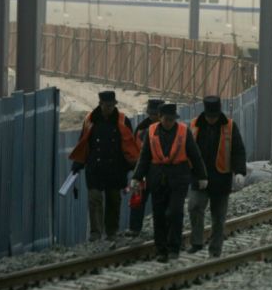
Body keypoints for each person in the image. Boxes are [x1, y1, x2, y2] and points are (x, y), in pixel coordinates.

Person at [131, 102, 207, 262]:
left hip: (178, 178)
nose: (169, 122)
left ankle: (174, 247)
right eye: (166, 119)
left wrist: (202, 176)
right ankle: (161, 250)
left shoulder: (183, 131)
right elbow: (144, 157)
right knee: (158, 215)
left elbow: (195, 154)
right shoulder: (151, 132)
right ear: (160, 118)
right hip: (157, 179)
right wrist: (137, 177)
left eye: (172, 119)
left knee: (175, 212)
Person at [69, 90, 140, 242]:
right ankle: (95, 233)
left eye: (112, 105)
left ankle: (111, 232)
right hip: (95, 168)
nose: (109, 108)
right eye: (106, 105)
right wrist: (79, 162)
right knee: (94, 199)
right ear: (100, 104)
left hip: (115, 169)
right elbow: (83, 142)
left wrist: (133, 165)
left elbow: (129, 145)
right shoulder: (91, 120)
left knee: (113, 200)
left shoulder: (122, 120)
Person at [188, 95, 247, 258]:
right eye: (209, 117)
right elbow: (188, 151)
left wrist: (240, 172)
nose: (212, 119)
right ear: (205, 114)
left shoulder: (229, 126)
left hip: (221, 179)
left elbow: (238, 151)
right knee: (194, 206)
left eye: (214, 117)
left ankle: (215, 250)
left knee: (218, 218)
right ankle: (197, 242)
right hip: (199, 178)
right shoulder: (194, 125)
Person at [126, 98, 164, 237]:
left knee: (160, 201)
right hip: (142, 171)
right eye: (152, 114)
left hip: (161, 171)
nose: (154, 116)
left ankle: (161, 229)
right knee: (137, 199)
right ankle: (134, 228)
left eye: (156, 114)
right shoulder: (142, 128)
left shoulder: (167, 128)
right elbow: (136, 149)